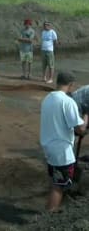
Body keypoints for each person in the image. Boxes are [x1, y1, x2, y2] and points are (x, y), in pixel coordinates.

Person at [40, 72, 87, 212]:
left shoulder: (47, 98)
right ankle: (48, 217)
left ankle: (50, 210)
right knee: (59, 186)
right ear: (71, 85)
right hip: (62, 152)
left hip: (49, 147)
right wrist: (86, 115)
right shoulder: (67, 101)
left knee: (55, 181)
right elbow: (80, 129)